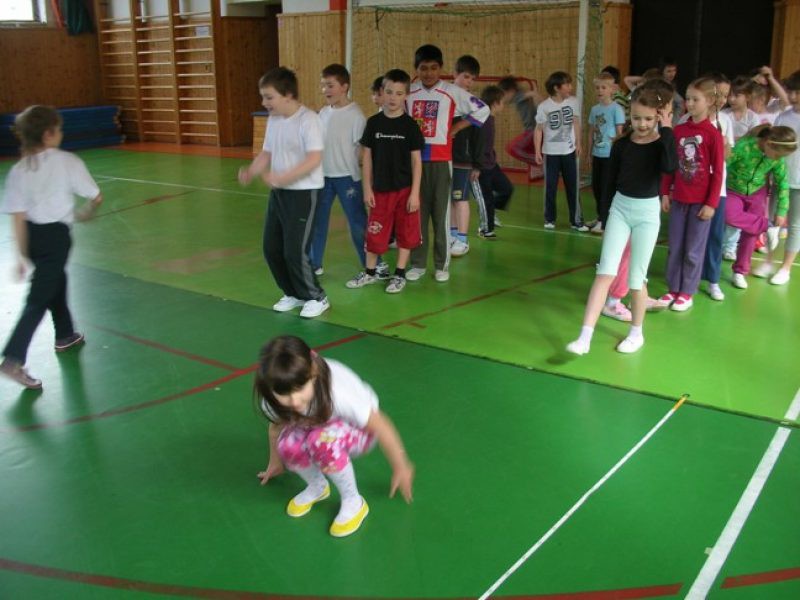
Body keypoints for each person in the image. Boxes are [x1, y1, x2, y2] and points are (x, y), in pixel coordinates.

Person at [254, 335, 414, 538]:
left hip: (359, 430)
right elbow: (276, 429)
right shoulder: (274, 401)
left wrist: (401, 465)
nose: (294, 401)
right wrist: (275, 462)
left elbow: (381, 424)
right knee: (287, 444)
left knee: (321, 441)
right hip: (318, 424)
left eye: (300, 388)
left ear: (313, 373)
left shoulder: (337, 394)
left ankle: (354, 501)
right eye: (283, 393)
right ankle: (318, 487)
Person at [566, 86, 676, 355]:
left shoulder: (661, 144)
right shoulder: (622, 145)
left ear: (658, 116)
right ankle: (584, 337)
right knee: (605, 272)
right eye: (637, 118)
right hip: (620, 210)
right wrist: (605, 219)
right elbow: (608, 184)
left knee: (637, 279)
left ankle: (636, 334)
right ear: (630, 116)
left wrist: (667, 129)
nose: (642, 124)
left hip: (647, 214)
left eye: (648, 119)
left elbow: (670, 166)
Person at [0, 105, 102, 389]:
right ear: (48, 134)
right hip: (56, 238)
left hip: (32, 238)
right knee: (38, 299)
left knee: (56, 278)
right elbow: (96, 196)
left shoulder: (19, 170)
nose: (61, 133)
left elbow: (18, 217)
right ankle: (13, 359)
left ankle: (65, 334)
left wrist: (22, 255)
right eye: (59, 129)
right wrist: (86, 212)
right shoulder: (67, 161)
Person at [238, 67, 329, 319]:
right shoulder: (275, 119)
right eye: (263, 97)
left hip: (303, 193)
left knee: (294, 250)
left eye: (269, 97)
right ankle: (293, 293)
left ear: (288, 95)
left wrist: (281, 177)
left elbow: (314, 159)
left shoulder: (309, 120)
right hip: (279, 194)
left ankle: (316, 297)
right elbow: (267, 152)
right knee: (272, 248)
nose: (264, 102)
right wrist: (252, 170)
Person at [406, 44, 489, 283]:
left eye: (434, 68)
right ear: (416, 69)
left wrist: (457, 127)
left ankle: (441, 264)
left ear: (441, 68)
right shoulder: (409, 92)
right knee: (417, 214)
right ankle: (418, 263)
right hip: (413, 161)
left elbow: (482, 110)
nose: (429, 73)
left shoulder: (451, 91)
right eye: (423, 68)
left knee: (441, 215)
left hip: (441, 161)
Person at [348, 69, 424, 294]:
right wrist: (367, 188)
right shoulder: (374, 123)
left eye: (399, 94)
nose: (393, 98)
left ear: (406, 96)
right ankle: (370, 273)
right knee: (375, 232)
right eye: (389, 92)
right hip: (380, 190)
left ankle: (399, 274)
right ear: (382, 92)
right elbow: (367, 158)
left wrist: (415, 193)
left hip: (405, 190)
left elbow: (417, 162)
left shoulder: (410, 125)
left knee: (405, 232)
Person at [309, 64, 384, 283]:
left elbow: (363, 152)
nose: (325, 90)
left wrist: (368, 180)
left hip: (347, 178)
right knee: (318, 222)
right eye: (323, 85)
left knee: (358, 223)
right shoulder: (323, 113)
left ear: (344, 87)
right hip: (323, 177)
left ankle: (374, 264)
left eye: (330, 85)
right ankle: (314, 263)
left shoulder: (356, 116)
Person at [658, 77, 725, 312]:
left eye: (696, 99)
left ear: (709, 101)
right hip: (679, 200)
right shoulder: (679, 130)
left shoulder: (712, 134)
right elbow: (670, 164)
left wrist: (711, 203)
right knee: (675, 246)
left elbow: (718, 172)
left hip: (700, 203)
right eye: (688, 99)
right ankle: (673, 288)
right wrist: (665, 192)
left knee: (693, 250)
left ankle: (687, 291)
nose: (690, 103)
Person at [724, 125, 796, 289]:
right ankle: (766, 225)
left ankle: (740, 271)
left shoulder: (777, 160)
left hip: (757, 193)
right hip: (733, 190)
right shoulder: (745, 147)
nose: (778, 158)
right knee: (728, 214)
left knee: (751, 232)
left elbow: (783, 184)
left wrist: (782, 211)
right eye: (777, 154)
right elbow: (723, 164)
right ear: (769, 143)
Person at [759, 69, 800, 285]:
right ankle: (768, 261)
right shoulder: (784, 116)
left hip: (799, 182)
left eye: (797, 92)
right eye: (790, 91)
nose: (792, 96)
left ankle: (786, 268)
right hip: (779, 178)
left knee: (794, 225)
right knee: (770, 222)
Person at [534, 71, 588, 231]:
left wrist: (578, 143)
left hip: (569, 152)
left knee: (573, 187)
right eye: (567, 84)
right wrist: (537, 151)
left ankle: (576, 220)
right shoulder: (544, 106)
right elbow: (538, 129)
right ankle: (549, 219)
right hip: (551, 154)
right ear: (557, 88)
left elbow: (576, 123)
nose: (571, 87)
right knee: (550, 187)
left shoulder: (573, 102)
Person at [449, 55, 485, 257]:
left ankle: (462, 239)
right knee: (450, 199)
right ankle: (452, 234)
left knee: (460, 198)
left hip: (463, 160)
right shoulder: (446, 98)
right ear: (455, 74)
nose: (468, 82)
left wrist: (477, 164)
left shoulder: (474, 106)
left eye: (472, 78)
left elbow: (479, 138)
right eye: (465, 76)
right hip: (445, 158)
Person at [588, 72, 626, 232]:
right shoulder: (594, 109)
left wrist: (618, 156)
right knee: (596, 187)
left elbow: (620, 134)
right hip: (597, 154)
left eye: (604, 87)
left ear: (612, 89)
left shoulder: (616, 109)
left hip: (610, 156)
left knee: (606, 189)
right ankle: (600, 216)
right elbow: (591, 131)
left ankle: (605, 221)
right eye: (597, 87)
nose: (600, 90)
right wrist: (589, 153)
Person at [475, 85, 514, 239]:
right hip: (482, 167)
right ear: (495, 103)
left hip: (491, 164)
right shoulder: (483, 121)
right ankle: (486, 229)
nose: (503, 106)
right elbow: (478, 145)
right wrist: (476, 166)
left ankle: (489, 210)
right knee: (487, 199)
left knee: (507, 188)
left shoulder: (490, 118)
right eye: (502, 102)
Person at [499, 75, 540, 167]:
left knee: (512, 148)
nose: (503, 98)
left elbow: (533, 94)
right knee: (517, 148)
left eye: (503, 94)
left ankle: (540, 161)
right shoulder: (517, 97)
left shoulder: (518, 96)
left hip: (533, 129)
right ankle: (540, 160)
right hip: (531, 129)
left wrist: (534, 93)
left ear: (511, 91)